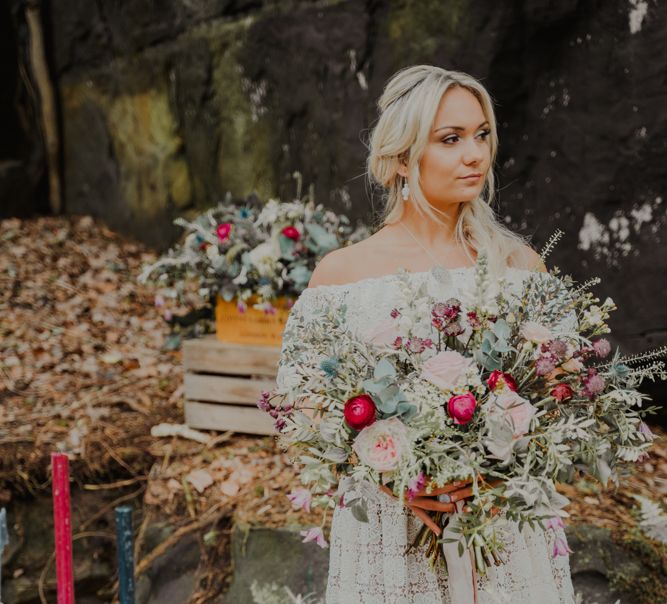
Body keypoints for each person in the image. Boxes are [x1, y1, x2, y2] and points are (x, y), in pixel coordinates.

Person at [277, 65, 576, 603]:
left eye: (482, 134)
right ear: (399, 159)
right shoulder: (343, 276)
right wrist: (402, 476)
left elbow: (564, 392)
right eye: (450, 139)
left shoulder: (519, 266)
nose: (475, 154)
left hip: (501, 524)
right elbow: (303, 410)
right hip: (390, 530)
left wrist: (488, 468)